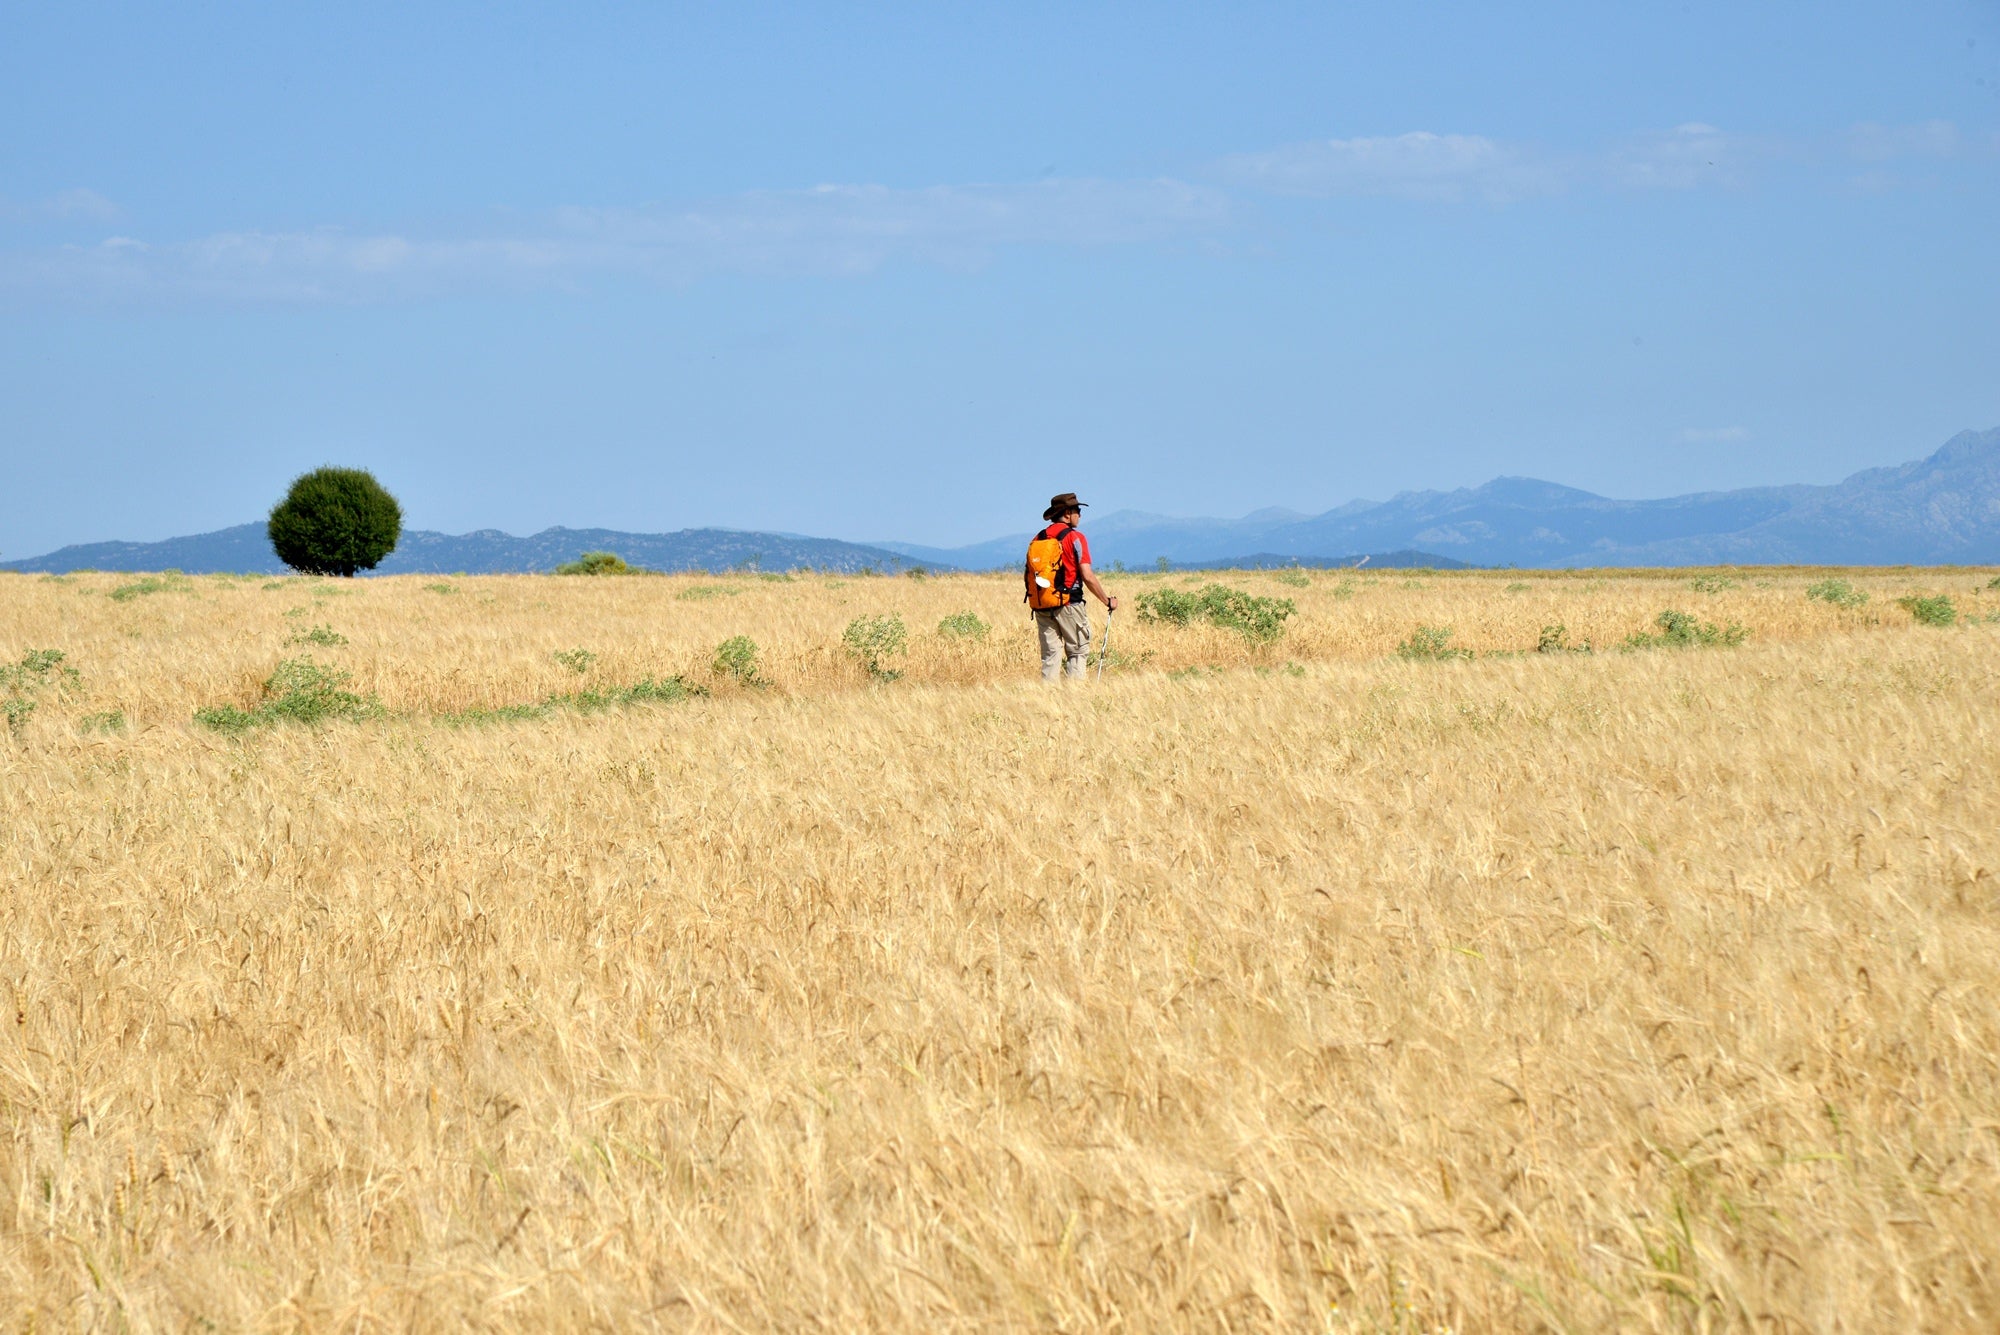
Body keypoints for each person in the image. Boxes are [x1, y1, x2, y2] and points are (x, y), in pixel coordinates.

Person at [1027, 492, 1119, 681]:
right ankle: (1074, 701)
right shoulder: (1075, 538)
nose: (1080, 515)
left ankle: (1047, 702)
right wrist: (1107, 600)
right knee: (1077, 652)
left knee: (1050, 655)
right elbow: (1087, 575)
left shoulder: (1038, 538)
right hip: (1069, 603)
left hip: (1042, 604)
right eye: (1077, 510)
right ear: (1067, 513)